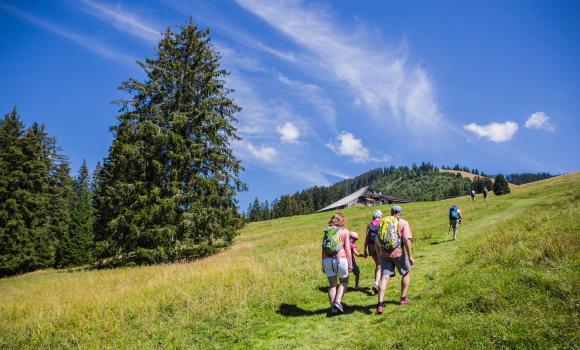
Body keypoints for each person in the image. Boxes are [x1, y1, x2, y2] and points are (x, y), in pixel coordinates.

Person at [375, 205, 414, 314]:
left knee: (384, 277)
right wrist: (410, 255)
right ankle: (403, 299)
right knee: (406, 273)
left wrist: (379, 254)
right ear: (400, 213)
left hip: (384, 254)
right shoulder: (403, 223)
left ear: (391, 212)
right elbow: (406, 239)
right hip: (398, 254)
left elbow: (376, 240)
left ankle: (380, 305)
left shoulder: (382, 222)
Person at [321, 213, 353, 314]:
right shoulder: (345, 232)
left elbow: (323, 248)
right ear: (342, 221)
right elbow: (347, 248)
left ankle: (333, 310)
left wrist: (323, 263)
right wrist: (350, 263)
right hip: (340, 259)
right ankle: (338, 301)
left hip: (327, 260)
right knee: (344, 282)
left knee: (332, 285)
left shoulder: (327, 231)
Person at [364, 209, 382, 293]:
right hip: (378, 245)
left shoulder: (370, 224)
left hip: (370, 246)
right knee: (380, 265)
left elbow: (366, 238)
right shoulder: (381, 223)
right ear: (380, 216)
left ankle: (376, 283)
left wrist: (364, 249)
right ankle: (376, 283)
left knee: (377, 264)